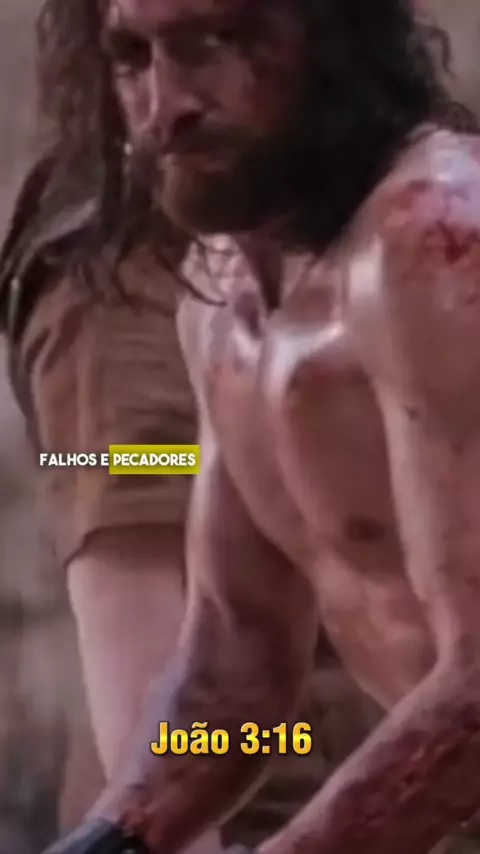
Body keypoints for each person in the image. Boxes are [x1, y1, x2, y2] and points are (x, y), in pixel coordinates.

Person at [40, 0, 480, 853]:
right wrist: (107, 844)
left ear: (332, 39)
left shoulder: (437, 241)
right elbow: (235, 672)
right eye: (132, 56)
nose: (167, 106)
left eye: (217, 42)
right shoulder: (221, 295)